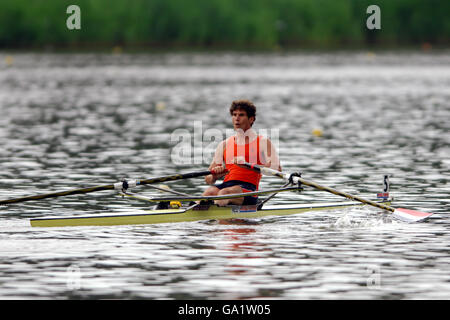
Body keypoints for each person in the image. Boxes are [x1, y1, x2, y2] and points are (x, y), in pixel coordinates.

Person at [203, 99, 281, 206]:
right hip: (226, 185)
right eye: (234, 115)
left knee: (224, 193)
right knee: (209, 192)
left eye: (241, 115)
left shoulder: (263, 142)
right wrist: (215, 176)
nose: (237, 119)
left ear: (251, 119)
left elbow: (277, 169)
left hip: (249, 189)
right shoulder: (224, 144)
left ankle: (219, 217)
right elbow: (208, 179)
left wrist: (247, 166)